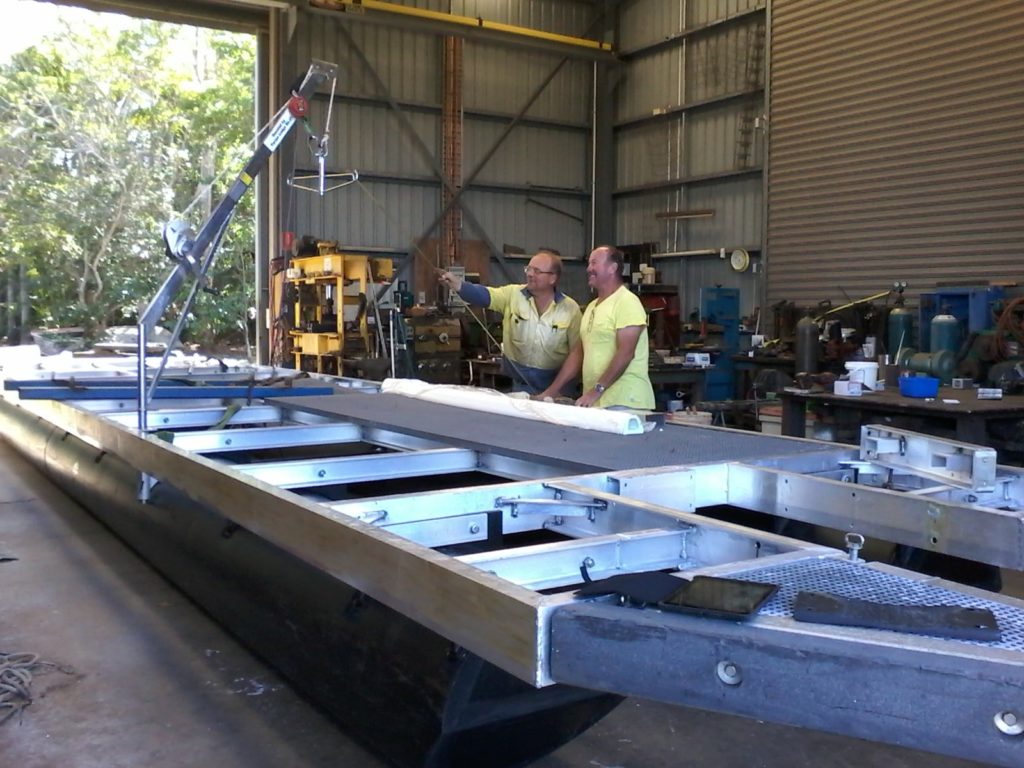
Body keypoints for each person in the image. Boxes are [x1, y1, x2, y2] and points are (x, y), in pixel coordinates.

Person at [438, 250, 582, 394]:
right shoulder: (512, 295)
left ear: (553, 278)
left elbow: (576, 354)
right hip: (520, 386)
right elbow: (484, 295)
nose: (530, 274)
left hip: (558, 389)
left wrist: (551, 392)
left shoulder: (571, 309)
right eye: (529, 269)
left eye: (537, 271)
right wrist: (458, 285)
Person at [536, 245, 655, 409]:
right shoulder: (592, 307)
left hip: (624, 402)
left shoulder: (627, 302)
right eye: (589, 263)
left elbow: (626, 353)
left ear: (612, 268)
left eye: (594, 263)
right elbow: (578, 354)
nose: (588, 269)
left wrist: (597, 390)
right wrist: (551, 391)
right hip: (596, 403)